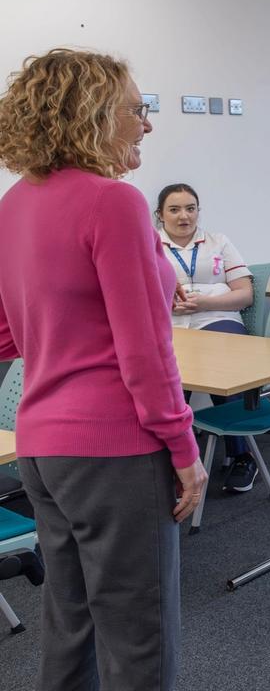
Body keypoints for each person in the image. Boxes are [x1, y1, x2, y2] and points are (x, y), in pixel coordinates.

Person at [0, 48, 206, 690]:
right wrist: (183, 446)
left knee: (72, 627)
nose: (147, 123)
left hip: (42, 452)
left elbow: (7, 333)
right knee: (139, 639)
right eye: (136, 110)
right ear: (93, 115)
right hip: (115, 453)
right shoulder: (113, 202)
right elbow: (144, 351)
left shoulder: (14, 203)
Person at [155, 183, 259, 492]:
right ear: (160, 215)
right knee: (169, 388)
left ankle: (242, 456)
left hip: (218, 319)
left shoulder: (219, 242)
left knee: (224, 375)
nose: (184, 216)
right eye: (174, 209)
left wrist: (206, 302)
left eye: (190, 208)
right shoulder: (147, 245)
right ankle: (175, 464)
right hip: (170, 326)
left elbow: (245, 294)